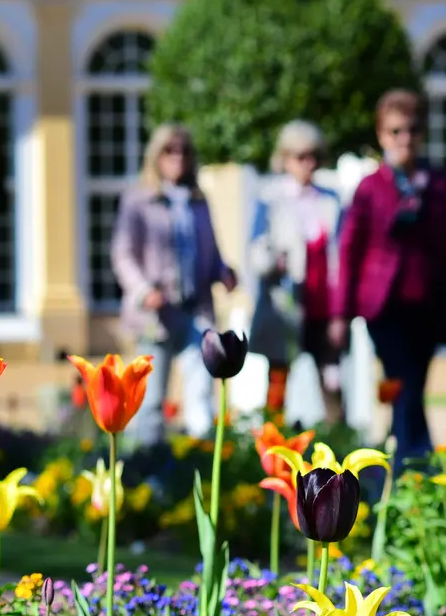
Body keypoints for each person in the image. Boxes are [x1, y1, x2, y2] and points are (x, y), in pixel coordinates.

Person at [328, 90, 446, 470]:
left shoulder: (436, 185)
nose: (405, 139)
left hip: (428, 303)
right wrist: (340, 315)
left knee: (414, 382)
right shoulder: (371, 188)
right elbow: (349, 252)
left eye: (413, 130)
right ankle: (413, 454)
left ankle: (402, 451)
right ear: (382, 135)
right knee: (402, 379)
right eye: (396, 131)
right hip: (384, 307)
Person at [111, 122, 238, 447]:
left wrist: (223, 273)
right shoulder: (139, 199)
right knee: (151, 398)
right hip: (156, 315)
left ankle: (198, 459)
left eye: (183, 151)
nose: (177, 157)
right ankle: (147, 467)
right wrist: (142, 291)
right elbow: (123, 254)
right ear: (156, 155)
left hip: (196, 309)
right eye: (169, 150)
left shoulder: (198, 200)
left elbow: (211, 251)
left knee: (200, 393)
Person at [247, 120, 344, 425]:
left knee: (332, 381)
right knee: (278, 379)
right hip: (285, 306)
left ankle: (339, 450)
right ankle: (270, 445)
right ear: (286, 158)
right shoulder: (271, 199)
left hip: (323, 308)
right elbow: (255, 250)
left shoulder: (331, 200)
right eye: (300, 156)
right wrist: (274, 261)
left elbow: (341, 253)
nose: (308, 163)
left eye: (313, 156)